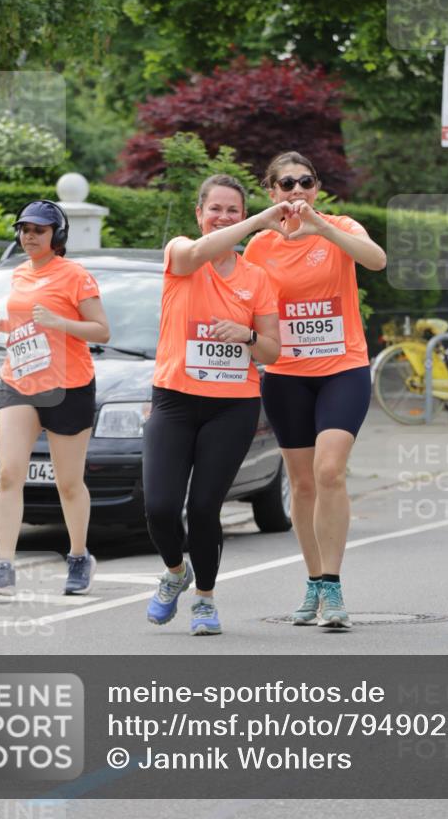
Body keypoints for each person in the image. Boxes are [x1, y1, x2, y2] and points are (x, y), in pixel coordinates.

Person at [243, 152, 387, 629]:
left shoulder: (340, 227)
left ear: (317, 187)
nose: (297, 191)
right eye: (286, 184)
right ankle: (313, 582)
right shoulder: (260, 245)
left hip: (342, 368)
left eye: (305, 182)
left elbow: (376, 260)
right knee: (302, 484)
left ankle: (334, 584)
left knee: (329, 471)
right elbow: (247, 302)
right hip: (286, 375)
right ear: (271, 192)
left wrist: (321, 228)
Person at [143, 174, 285, 635]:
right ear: (199, 213)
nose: (223, 217)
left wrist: (247, 335)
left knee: (204, 507)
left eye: (233, 210)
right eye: (215, 209)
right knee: (160, 507)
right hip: (174, 401)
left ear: (241, 215)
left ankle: (204, 599)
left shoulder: (256, 279)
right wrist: (259, 222)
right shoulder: (181, 253)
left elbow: (272, 352)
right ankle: (174, 572)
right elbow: (197, 253)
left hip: (232, 406)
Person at [0, 200, 110, 597]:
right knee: (8, 473)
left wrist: (60, 322)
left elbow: (101, 331)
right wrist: (4, 325)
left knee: (68, 483)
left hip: (68, 385)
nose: (29, 236)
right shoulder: (19, 272)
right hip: (18, 380)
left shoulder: (76, 276)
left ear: (57, 236)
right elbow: (29, 323)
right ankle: (3, 568)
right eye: (25, 229)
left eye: (39, 230)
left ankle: (79, 556)